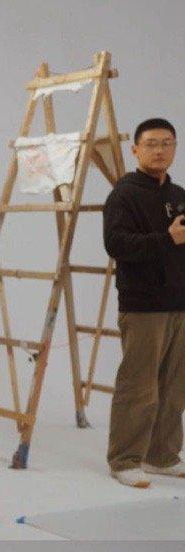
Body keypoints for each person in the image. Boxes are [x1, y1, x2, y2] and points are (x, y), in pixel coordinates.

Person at [102, 119, 185, 487]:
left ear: (175, 148)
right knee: (139, 386)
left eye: (167, 143)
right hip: (143, 306)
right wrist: (167, 238)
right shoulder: (123, 195)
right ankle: (124, 459)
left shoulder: (179, 194)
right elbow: (116, 245)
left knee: (175, 385)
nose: (159, 150)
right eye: (151, 143)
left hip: (180, 303)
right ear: (135, 149)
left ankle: (161, 456)